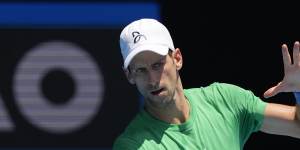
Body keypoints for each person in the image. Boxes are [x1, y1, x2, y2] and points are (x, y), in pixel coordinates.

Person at [113, 18, 300, 150]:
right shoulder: (131, 145)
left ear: (177, 59)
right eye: (141, 70)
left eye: (157, 65)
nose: (153, 80)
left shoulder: (225, 100)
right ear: (129, 75)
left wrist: (299, 91)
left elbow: (296, 125)